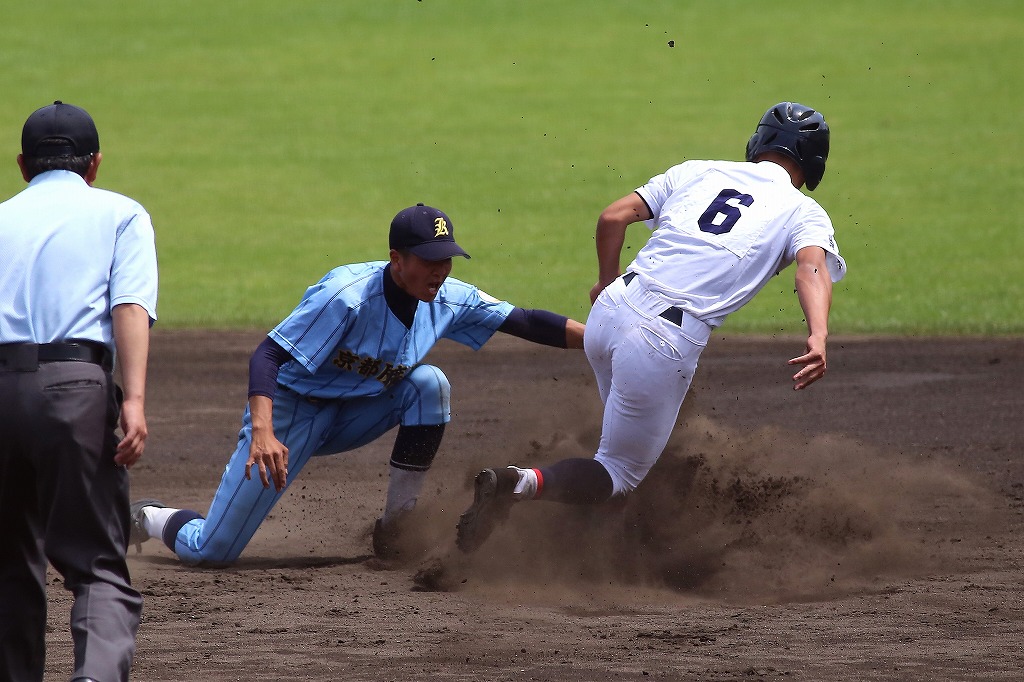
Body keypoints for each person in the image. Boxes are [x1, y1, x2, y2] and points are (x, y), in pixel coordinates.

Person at [456, 101, 847, 553]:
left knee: (630, 439)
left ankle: (595, 546)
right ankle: (517, 483)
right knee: (618, 471)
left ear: (758, 142)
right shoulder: (804, 212)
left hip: (611, 310)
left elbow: (612, 217)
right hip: (663, 339)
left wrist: (604, 281)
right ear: (814, 163)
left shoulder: (698, 170)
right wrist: (818, 334)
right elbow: (811, 268)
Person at [129, 203, 585, 566]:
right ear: (397, 260)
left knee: (429, 385)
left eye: (445, 258)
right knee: (214, 550)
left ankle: (397, 528)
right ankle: (149, 517)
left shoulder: (447, 297)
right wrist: (264, 431)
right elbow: (267, 354)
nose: (439, 269)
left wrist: (605, 337)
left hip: (359, 411)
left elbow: (523, 321)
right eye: (428, 260)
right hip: (293, 412)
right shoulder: (346, 295)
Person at [0, 102, 158, 682]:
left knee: (9, 567)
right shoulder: (121, 214)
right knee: (95, 566)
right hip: (74, 390)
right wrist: (134, 400)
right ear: (93, 164)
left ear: (22, 165)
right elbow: (130, 306)